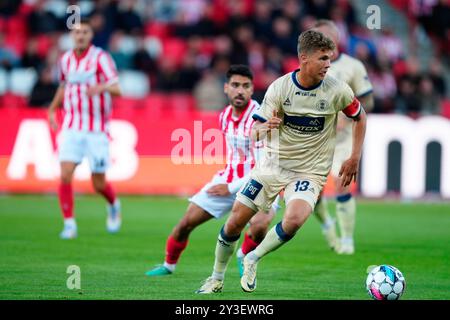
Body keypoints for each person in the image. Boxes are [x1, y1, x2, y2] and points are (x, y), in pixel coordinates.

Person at [196, 29, 367, 294]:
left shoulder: (337, 90)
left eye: (329, 58)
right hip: (272, 167)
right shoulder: (280, 87)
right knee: (234, 224)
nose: (328, 64)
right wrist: (265, 128)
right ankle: (216, 278)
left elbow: (360, 116)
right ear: (304, 59)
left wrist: (354, 157)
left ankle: (252, 257)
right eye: (322, 58)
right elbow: (254, 132)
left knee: (295, 219)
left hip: (309, 172)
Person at [235, 20, 374, 261]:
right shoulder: (287, 83)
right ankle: (328, 227)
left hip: (340, 140)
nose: (326, 59)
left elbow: (365, 104)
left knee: (341, 185)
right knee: (309, 198)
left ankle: (347, 239)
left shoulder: (351, 68)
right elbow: (257, 128)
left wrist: (349, 127)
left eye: (327, 38)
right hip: (296, 150)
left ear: (335, 39)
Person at [145, 64, 272, 276]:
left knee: (259, 225)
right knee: (186, 222)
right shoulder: (224, 116)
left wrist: (230, 188)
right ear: (226, 88)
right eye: (235, 85)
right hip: (228, 178)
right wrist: (228, 185)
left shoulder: (260, 118)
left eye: (245, 86)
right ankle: (168, 265)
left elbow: (262, 167)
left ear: (252, 90)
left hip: (260, 182)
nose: (240, 90)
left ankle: (244, 255)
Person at [48, 18, 122, 240]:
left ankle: (113, 204)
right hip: (71, 126)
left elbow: (117, 89)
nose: (80, 36)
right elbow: (64, 87)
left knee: (98, 182)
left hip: (96, 129)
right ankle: (69, 224)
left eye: (85, 32)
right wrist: (52, 109)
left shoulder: (101, 58)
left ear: (91, 35)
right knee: (65, 174)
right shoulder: (66, 60)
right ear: (72, 36)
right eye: (77, 32)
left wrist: (100, 88)